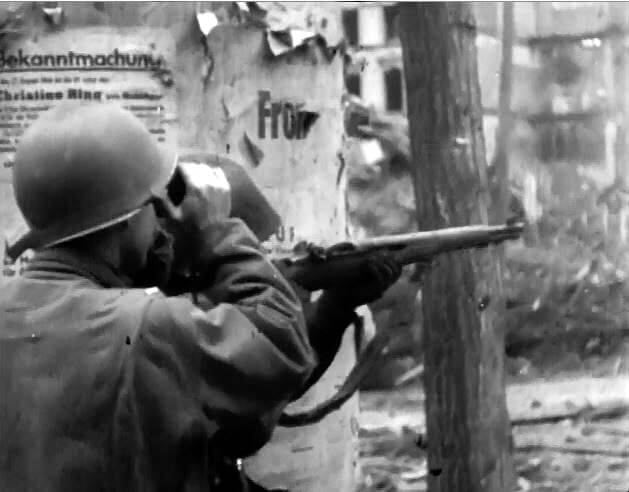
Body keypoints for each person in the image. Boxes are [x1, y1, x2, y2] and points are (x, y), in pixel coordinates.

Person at [0, 102, 401, 491]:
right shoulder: (145, 328)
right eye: (154, 207)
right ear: (124, 220)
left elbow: (240, 423)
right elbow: (279, 343)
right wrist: (214, 229)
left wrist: (333, 310)